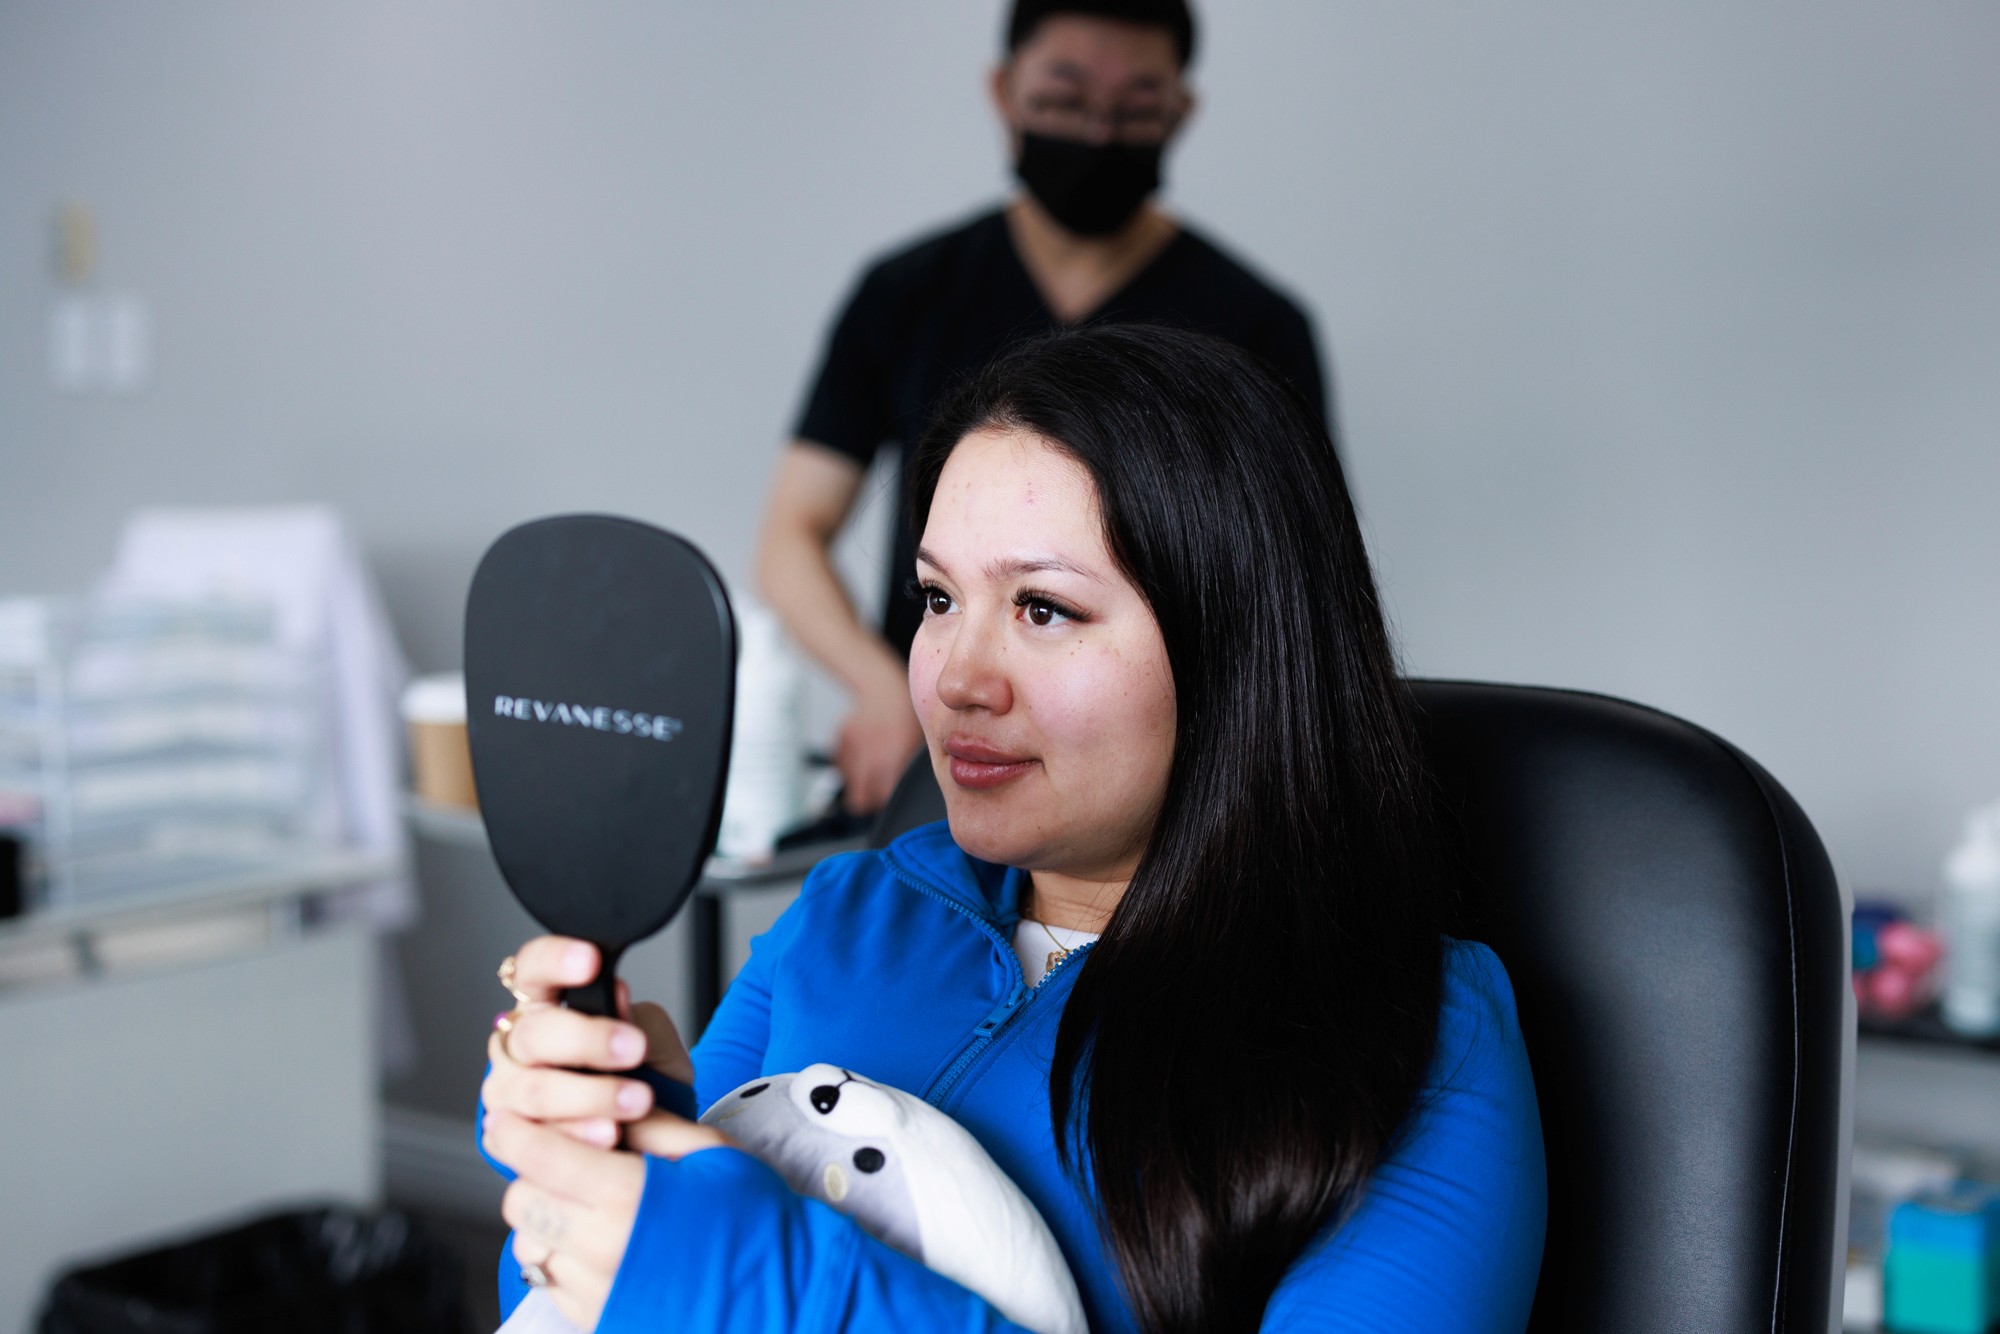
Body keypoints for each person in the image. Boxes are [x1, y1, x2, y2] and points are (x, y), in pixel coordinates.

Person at [479, 325, 1547, 1333]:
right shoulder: (847, 914)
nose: (954, 680)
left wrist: (765, 1284)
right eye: (936, 599)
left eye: (1042, 607)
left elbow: (725, 1280)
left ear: (1235, 648)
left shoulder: (1408, 1036)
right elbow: (583, 1294)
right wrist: (614, 1148)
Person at [755, 0, 1333, 816]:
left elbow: (1294, 587)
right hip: (944, 759)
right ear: (1004, 91)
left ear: (1180, 110)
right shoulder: (908, 295)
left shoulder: (1255, 325)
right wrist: (881, 686)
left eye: (1133, 108)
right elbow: (791, 534)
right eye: (1065, 102)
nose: (1097, 135)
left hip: (1182, 781)